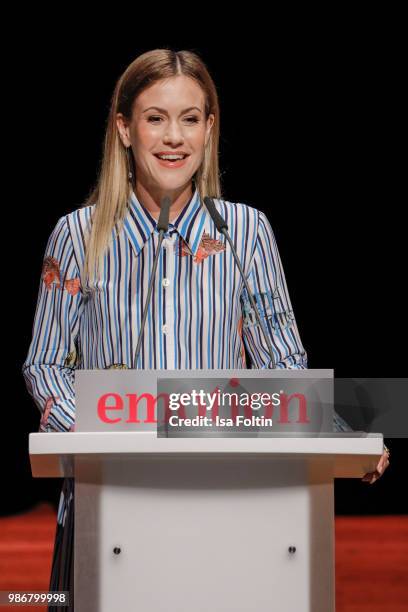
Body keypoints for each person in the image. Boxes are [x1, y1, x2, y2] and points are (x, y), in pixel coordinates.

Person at [21, 48, 390, 608]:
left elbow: (282, 365)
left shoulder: (248, 232)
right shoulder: (77, 235)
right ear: (124, 128)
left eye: (189, 118)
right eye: (155, 118)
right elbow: (46, 364)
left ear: (209, 128)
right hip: (110, 497)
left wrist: (347, 434)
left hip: (228, 496)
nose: (174, 137)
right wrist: (95, 437)